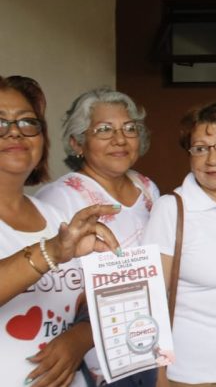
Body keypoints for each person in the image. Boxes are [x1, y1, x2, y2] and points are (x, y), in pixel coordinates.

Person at [0, 75, 122, 387]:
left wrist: (81, 337)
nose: (15, 131)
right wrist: (50, 252)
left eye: (28, 122)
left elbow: (91, 301)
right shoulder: (57, 238)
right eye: (0, 122)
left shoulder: (55, 217)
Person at [36, 87, 159, 387]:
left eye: (129, 128)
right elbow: (54, 287)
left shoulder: (147, 188)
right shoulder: (60, 198)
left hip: (149, 344)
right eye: (104, 129)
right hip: (96, 357)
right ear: (77, 142)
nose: (120, 139)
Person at [143, 102, 216, 387]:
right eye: (200, 148)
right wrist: (158, 373)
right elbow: (150, 299)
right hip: (189, 373)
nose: (212, 159)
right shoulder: (172, 209)